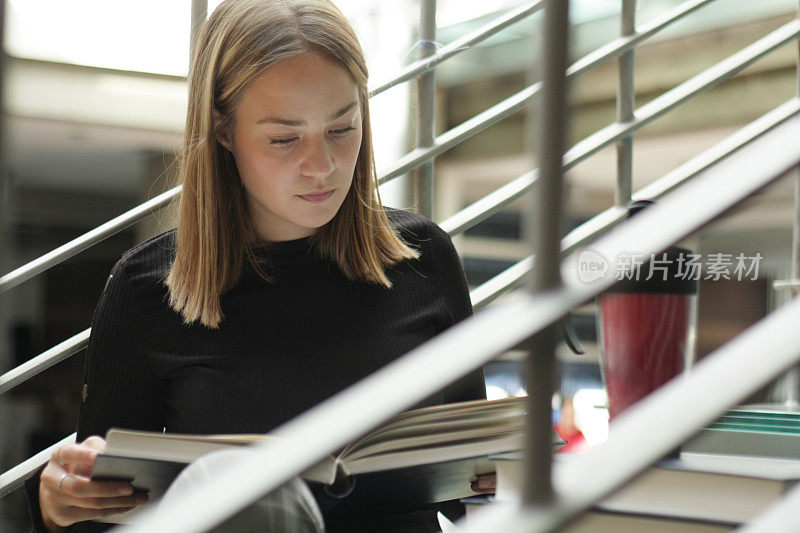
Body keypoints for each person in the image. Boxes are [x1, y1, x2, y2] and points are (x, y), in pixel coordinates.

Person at [25, 0, 487, 531]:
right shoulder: (146, 290)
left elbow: (466, 485)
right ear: (222, 131)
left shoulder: (424, 260)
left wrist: (509, 474)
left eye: (342, 128)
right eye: (284, 138)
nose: (322, 166)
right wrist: (55, 506)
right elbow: (99, 513)